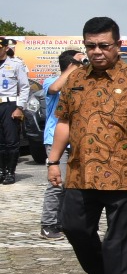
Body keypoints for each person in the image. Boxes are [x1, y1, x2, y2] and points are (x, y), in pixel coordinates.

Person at [45, 17, 127, 274]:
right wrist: (53, 161)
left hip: (124, 171)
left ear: (118, 45)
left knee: (119, 238)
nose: (97, 52)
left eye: (103, 45)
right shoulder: (75, 79)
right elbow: (65, 122)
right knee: (73, 226)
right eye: (90, 46)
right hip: (82, 170)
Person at [39, 50, 84, 239]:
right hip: (55, 140)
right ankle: (48, 224)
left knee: (73, 185)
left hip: (77, 139)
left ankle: (64, 221)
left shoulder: (82, 83)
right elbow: (55, 89)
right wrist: (74, 66)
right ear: (70, 64)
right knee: (57, 184)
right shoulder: (51, 81)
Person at [0, 37, 30, 184]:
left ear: (5, 48)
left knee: (11, 141)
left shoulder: (16, 64)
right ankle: (1, 171)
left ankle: (10, 172)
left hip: (9, 104)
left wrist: (20, 108)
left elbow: (24, 86)